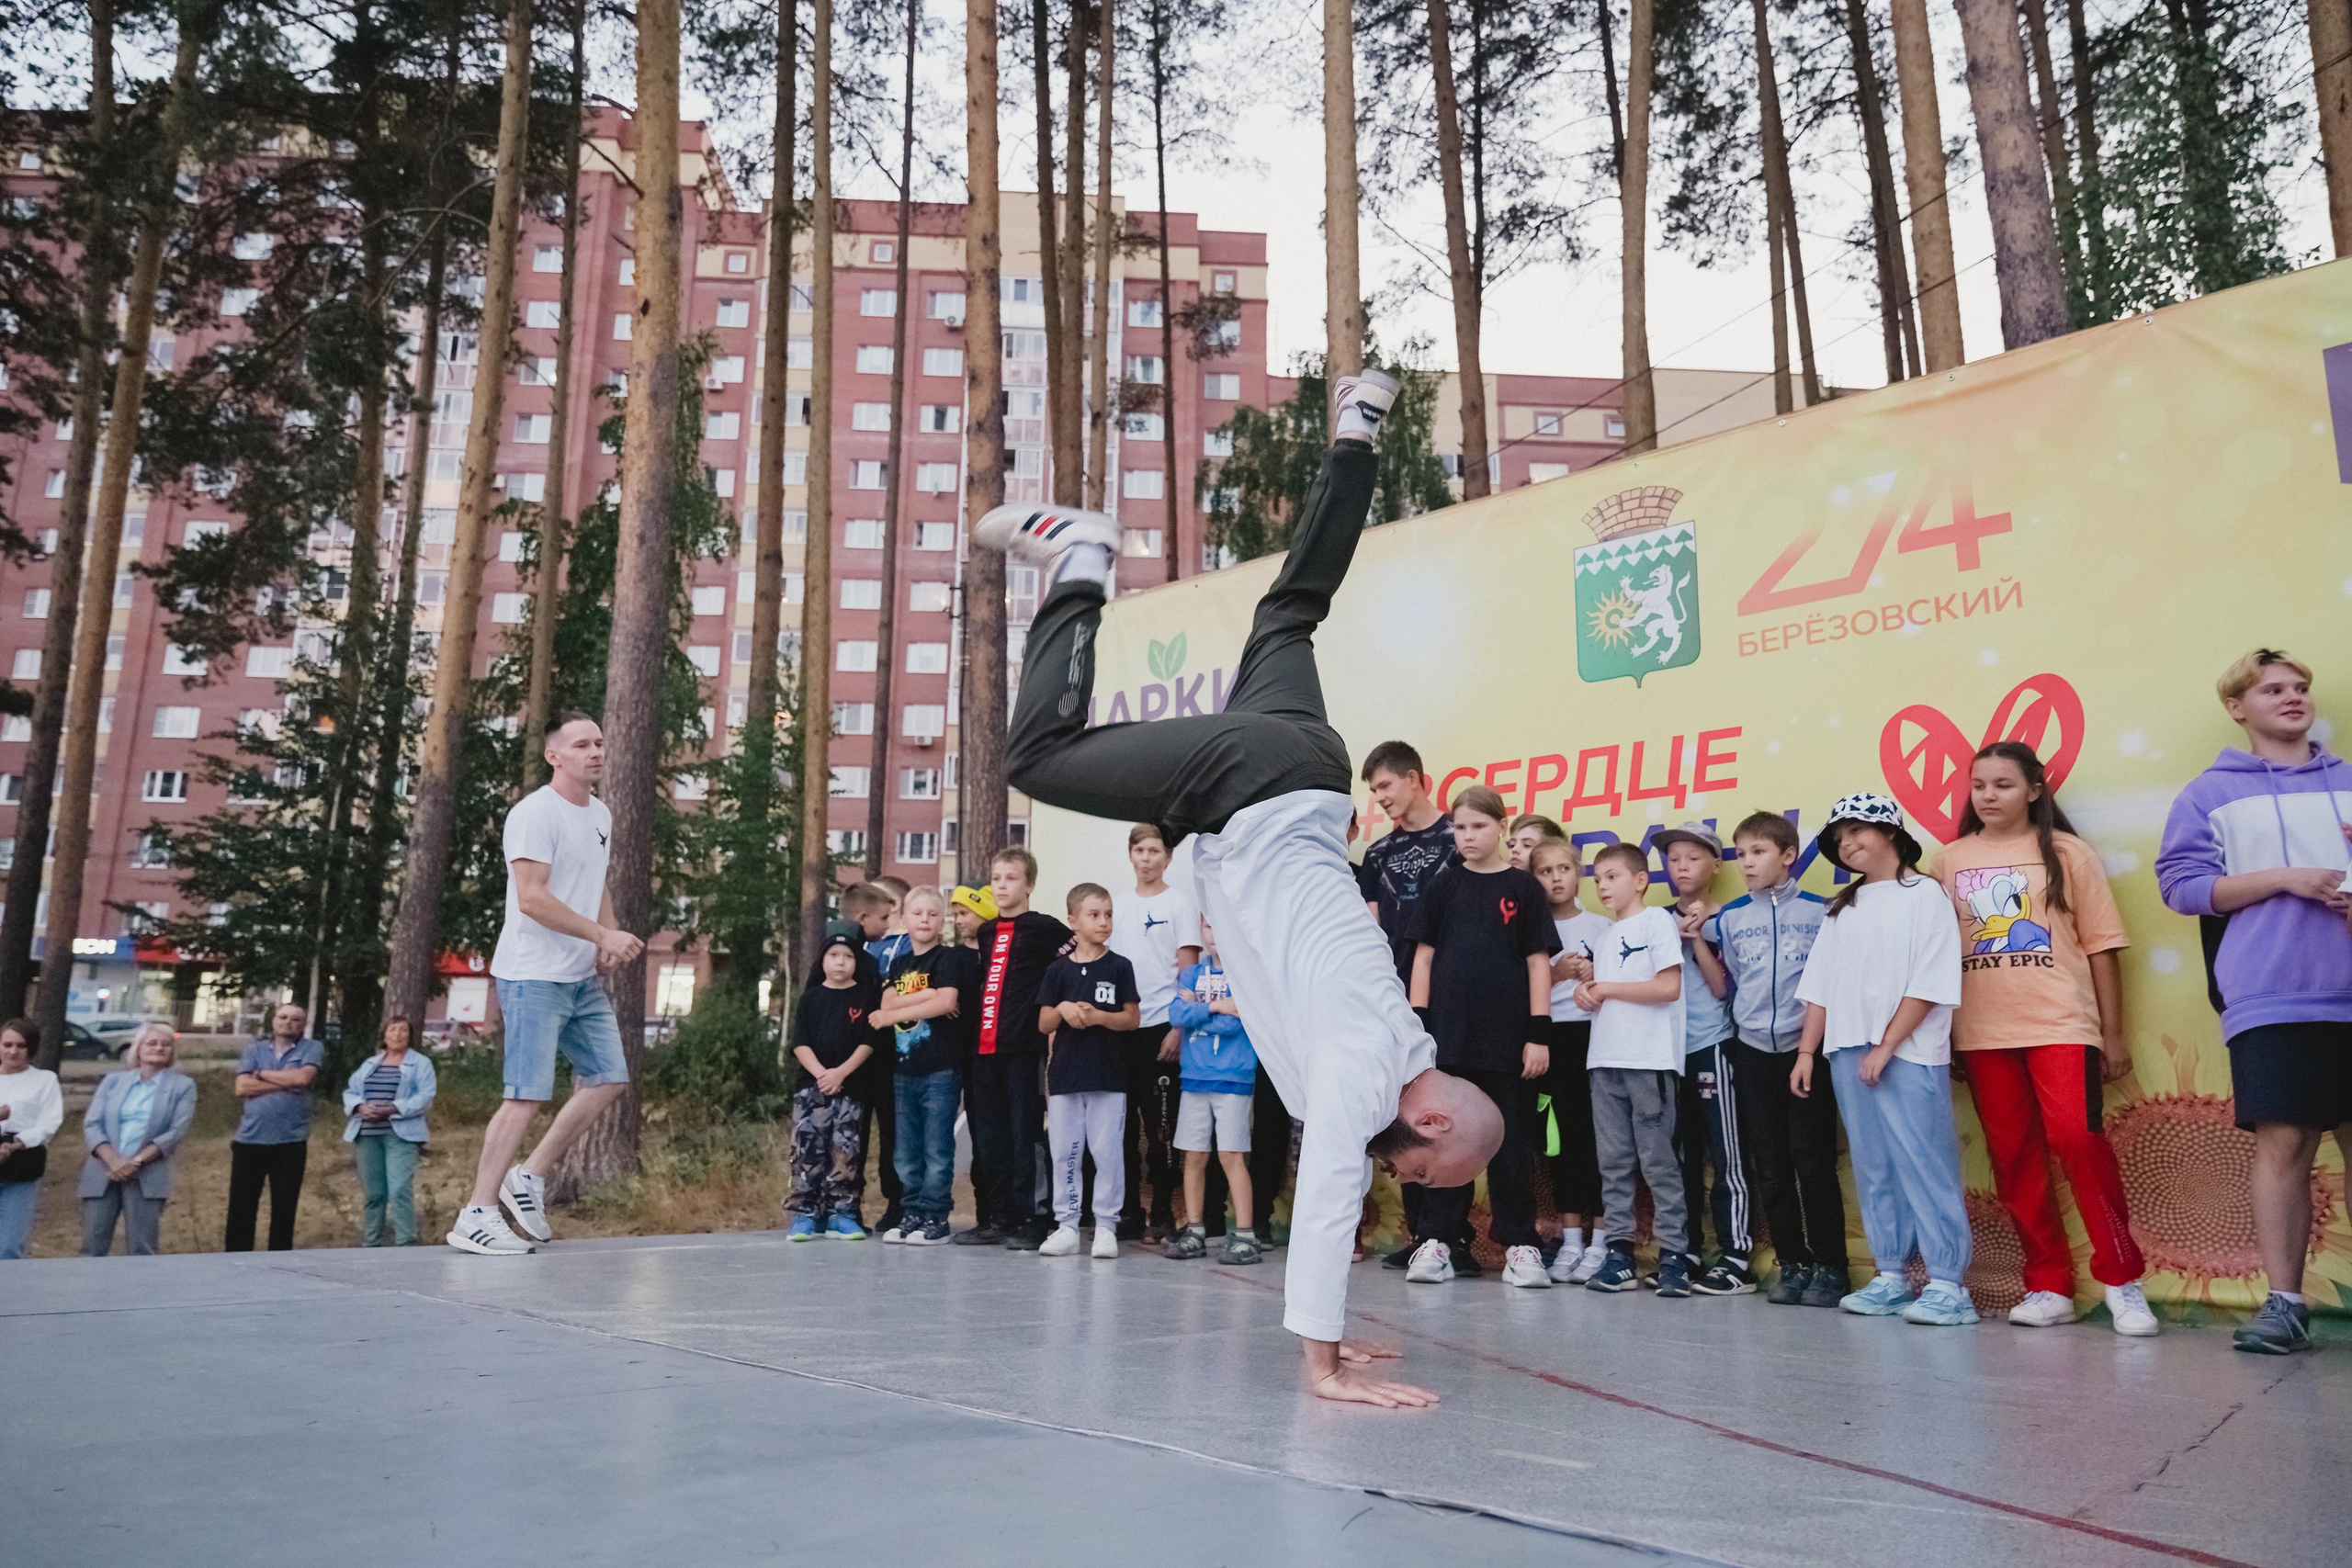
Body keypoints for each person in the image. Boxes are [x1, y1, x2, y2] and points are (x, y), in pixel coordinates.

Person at [976, 367, 1503, 1407]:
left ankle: (1357, 426)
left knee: (1290, 610)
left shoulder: (1382, 1045)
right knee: (1036, 757)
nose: (1418, 1190)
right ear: (1432, 1125)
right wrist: (1323, 1362)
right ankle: (1081, 561)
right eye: (1433, 1178)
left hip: (1309, 765)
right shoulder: (1367, 1068)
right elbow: (1329, 1192)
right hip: (1253, 787)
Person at [2156, 649, 2352, 1355]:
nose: (2293, 696)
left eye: (2301, 686)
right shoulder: (2210, 793)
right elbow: (2181, 886)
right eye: (2273, 688)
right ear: (2238, 707)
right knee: (2286, 1141)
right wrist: (2284, 879)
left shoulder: (2350, 780)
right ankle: (2285, 1303)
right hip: (2271, 989)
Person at [1937, 741, 2158, 1335]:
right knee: (2013, 1157)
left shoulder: (2068, 853)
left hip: (2061, 1024)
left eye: (2003, 784)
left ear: (2035, 789)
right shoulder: (1948, 860)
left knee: (2077, 1139)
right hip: (1983, 1033)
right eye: (1979, 784)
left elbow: (2104, 947)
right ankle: (2048, 1282)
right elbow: (1932, 957)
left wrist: (2112, 1034)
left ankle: (2121, 1279)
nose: (1988, 795)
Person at [450, 711, 645, 1256]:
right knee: (525, 1096)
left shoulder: (600, 812)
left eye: (601, 742)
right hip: (532, 974)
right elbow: (532, 899)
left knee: (608, 1078)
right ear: (554, 756)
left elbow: (595, 879)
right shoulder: (535, 814)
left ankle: (528, 1176)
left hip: (579, 975)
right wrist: (600, 936)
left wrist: (601, 936)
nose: (596, 752)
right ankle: (477, 1213)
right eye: (582, 745)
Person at [1793, 794, 1973, 1325]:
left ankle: (1947, 1284)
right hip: (1847, 1050)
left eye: (1857, 831)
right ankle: (1890, 1275)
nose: (1848, 844)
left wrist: (1888, 1045)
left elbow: (1931, 981)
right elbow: (1820, 987)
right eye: (1839, 838)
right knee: (1875, 1167)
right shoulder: (1841, 906)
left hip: (1908, 1052)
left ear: (1891, 831)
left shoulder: (1925, 896)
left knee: (1926, 1163)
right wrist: (1807, 1052)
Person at [1403, 784, 1560, 1288]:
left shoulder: (1524, 888)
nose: (1468, 835)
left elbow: (1539, 963)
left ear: (1501, 828)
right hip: (1449, 1042)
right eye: (1461, 826)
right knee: (1446, 1145)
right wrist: (1420, 1029)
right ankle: (1439, 1242)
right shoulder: (1442, 887)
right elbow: (1423, 958)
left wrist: (1538, 1033)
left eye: (1479, 826)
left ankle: (1520, 1245)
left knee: (1511, 1146)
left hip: (1509, 1044)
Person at [1702, 811, 1845, 1307]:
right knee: (1770, 1165)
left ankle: (1831, 1266)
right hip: (1752, 1052)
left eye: (1758, 852)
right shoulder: (1728, 919)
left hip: (1808, 1050)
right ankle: (1793, 1261)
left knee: (1813, 1161)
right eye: (1740, 854)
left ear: (1788, 856)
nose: (1746, 863)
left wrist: (1809, 1047)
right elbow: (1730, 982)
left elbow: (1828, 986)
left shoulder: (1824, 912)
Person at [1357, 740, 1460, 1270]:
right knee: (1408, 1114)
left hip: (1454, 993)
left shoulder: (1457, 838)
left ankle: (1452, 1236)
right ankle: (1424, 1235)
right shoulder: (1376, 855)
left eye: (1385, 787)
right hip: (1397, 1003)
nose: (1380, 799)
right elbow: (1373, 931)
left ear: (1414, 778)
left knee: (1451, 1115)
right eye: (1373, 792)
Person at [1575, 842, 1692, 1297]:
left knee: (1659, 1161)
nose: (1602, 885)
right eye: (1598, 878)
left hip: (1649, 1061)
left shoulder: (1657, 922)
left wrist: (1605, 987)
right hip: (1604, 1061)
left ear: (1641, 880)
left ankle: (1674, 1258)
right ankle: (1619, 1253)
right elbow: (1607, 997)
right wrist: (1589, 992)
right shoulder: (1604, 936)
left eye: (1612, 876)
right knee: (1614, 1162)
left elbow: (1668, 987)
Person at [1654, 823, 1754, 1296]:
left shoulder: (1731, 918)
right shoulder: (1655, 921)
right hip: (1668, 1055)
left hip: (1714, 1046)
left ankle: (1735, 1254)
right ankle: (1687, 1250)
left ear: (1716, 865)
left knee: (1727, 1155)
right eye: (1673, 859)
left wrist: (1694, 939)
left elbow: (1720, 989)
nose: (1681, 867)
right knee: (1681, 1159)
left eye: (1692, 858)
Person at [958, 846, 1073, 1249]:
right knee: (990, 1136)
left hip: (1024, 1046)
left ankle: (1034, 1216)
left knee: (1025, 1134)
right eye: (996, 878)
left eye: (1010, 878)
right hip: (983, 1048)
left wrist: (1055, 1009)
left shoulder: (1044, 927)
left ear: (1029, 885)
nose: (1002, 885)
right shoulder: (987, 931)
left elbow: (1075, 959)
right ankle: (999, 1216)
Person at [1033, 884, 1139, 1258]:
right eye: (1094, 915)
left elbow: (1131, 1019)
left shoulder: (1119, 966)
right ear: (1073, 921)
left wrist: (1099, 1018)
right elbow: (1044, 1022)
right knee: (1065, 1152)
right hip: (1065, 1078)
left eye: (1108, 914)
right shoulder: (1058, 970)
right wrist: (1063, 1009)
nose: (1104, 921)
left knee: (1107, 1151)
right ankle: (1067, 1224)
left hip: (1108, 1077)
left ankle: (1106, 1225)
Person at [1108, 824, 1202, 1242]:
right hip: (1121, 1027)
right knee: (1122, 1126)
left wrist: (1178, 1029)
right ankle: (1129, 1211)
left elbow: (1188, 971)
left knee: (1162, 1126)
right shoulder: (1116, 905)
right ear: (1130, 856)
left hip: (1162, 1026)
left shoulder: (1180, 903)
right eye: (1140, 850)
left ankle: (1164, 1210)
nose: (1146, 858)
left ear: (1168, 857)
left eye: (1155, 851)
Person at [871, 886, 978, 1246]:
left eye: (933, 914)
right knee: (905, 1150)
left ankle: (935, 1217)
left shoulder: (949, 959)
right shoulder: (899, 963)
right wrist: (927, 996)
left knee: (936, 1148)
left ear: (942, 920)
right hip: (904, 1071)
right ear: (904, 919)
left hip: (940, 1070)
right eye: (917, 914)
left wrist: (898, 1012)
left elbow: (947, 1000)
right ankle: (911, 1210)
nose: (925, 920)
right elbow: (886, 1000)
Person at [1530, 840, 1611, 1283]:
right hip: (1550, 1040)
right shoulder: (1530, 928)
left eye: (1564, 868)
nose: (1557, 877)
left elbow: (1621, 984)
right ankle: (1571, 1239)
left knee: (1599, 1139)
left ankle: (1601, 1241)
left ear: (1578, 872)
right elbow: (1521, 987)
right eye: (1546, 871)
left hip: (1595, 1039)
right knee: (1560, 1142)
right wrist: (1557, 971)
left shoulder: (1601, 926)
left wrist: (1593, 975)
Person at [1166, 918, 1262, 1263]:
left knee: (1231, 1157)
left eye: (1221, 924)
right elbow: (1176, 1013)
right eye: (1207, 926)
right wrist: (1215, 1005)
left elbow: (1236, 1022)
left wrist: (1199, 1010)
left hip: (1233, 1079)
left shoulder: (1245, 976)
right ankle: (1195, 1231)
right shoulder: (1191, 975)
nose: (1215, 933)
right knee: (1193, 1157)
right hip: (1193, 1078)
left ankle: (1247, 1236)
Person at [787, 931, 883, 1239]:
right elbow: (800, 1044)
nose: (840, 962)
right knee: (807, 1151)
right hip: (811, 1090)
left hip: (850, 1089)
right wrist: (821, 1075)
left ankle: (840, 1214)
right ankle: (804, 1215)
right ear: (823, 960)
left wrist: (840, 1074)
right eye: (834, 955)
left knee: (845, 1152)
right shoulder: (811, 998)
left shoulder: (866, 996)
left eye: (848, 956)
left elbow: (868, 1043)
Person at [80, 1024, 197, 1257]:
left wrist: (134, 1163)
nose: (159, 1048)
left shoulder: (183, 1086)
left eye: (166, 1044)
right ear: (138, 1049)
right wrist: (114, 1161)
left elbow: (175, 1132)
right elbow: (92, 1124)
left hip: (147, 1173)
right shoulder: (113, 1081)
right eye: (151, 1043)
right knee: (92, 1246)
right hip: (103, 1171)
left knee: (142, 1249)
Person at [226, 1001, 326, 1252]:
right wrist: (286, 1081)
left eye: (295, 1019)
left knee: (284, 1209)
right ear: (274, 1021)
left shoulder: (312, 1048)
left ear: (303, 1024)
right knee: (241, 1208)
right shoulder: (254, 1049)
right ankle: (234, 1261)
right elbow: (241, 1087)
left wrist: (259, 1074)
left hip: (290, 1141)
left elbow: (303, 1078)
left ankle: (279, 1262)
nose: (288, 1022)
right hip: (250, 1140)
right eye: (283, 1017)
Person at [842, 878, 910, 1236]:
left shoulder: (883, 958)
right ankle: (845, 1205)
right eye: (884, 917)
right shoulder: (846, 957)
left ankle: (896, 1202)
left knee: (892, 1134)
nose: (888, 924)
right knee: (851, 1133)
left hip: (886, 1056)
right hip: (850, 1061)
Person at [341, 1016, 437, 1247]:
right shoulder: (370, 1064)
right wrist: (360, 1106)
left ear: (410, 1036)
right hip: (367, 1134)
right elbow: (351, 1090)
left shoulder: (421, 1063)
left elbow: (425, 1097)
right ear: (384, 1035)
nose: (397, 1034)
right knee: (374, 1193)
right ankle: (371, 1243)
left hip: (401, 1135)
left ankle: (406, 1243)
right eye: (393, 1030)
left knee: (399, 1189)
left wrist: (392, 1109)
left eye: (403, 1030)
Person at [0, 1019, 62, 1258]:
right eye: (7, 1044)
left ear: (31, 1049)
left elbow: (49, 1122)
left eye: (20, 1045)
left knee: (9, 1244)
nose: (13, 1051)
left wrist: (16, 1144)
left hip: (22, 1162)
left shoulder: (44, 1080)